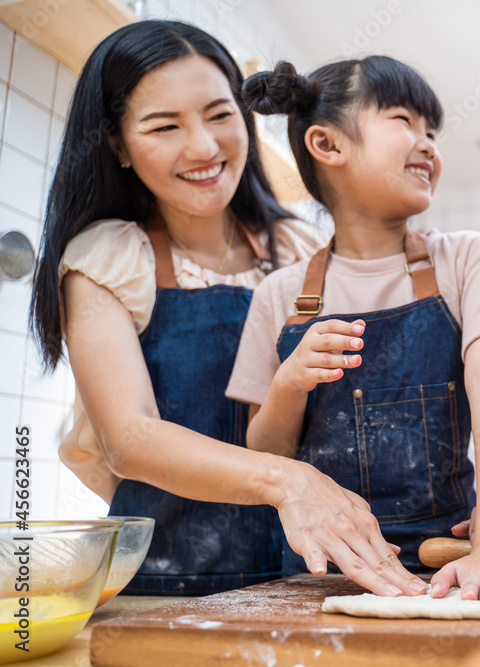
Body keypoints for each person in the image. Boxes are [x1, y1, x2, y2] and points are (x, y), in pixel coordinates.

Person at [30, 20, 422, 598]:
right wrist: (287, 482)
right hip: (163, 584)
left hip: (307, 580)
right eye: (164, 126)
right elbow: (129, 438)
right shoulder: (108, 257)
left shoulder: (301, 253)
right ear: (117, 144)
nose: (204, 147)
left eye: (219, 115)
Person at [227, 56, 480, 601]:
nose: (428, 144)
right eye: (404, 121)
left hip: (451, 566)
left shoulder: (467, 262)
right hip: (316, 577)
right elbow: (264, 458)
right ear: (328, 146)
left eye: (432, 132)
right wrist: (289, 384)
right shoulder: (279, 296)